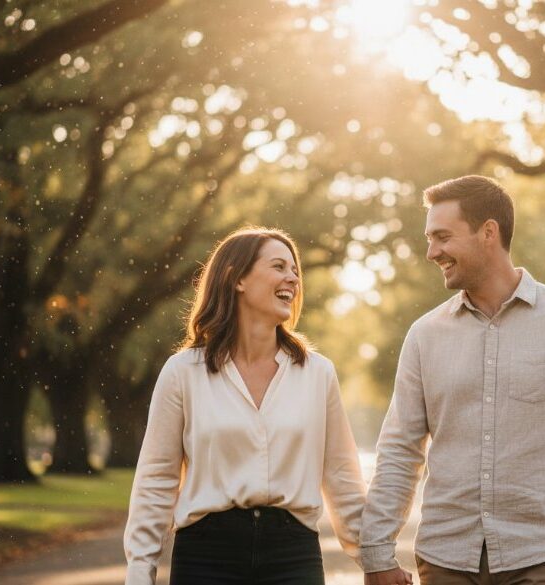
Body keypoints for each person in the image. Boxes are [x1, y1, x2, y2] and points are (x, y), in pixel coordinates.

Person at [360, 176, 545, 585]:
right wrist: (376, 553)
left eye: (442, 237)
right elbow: (400, 450)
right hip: (446, 558)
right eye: (430, 239)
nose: (432, 252)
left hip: (543, 556)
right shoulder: (425, 335)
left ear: (489, 232)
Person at [124, 226, 371, 585]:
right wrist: (139, 571)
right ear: (236, 278)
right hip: (206, 557)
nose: (293, 278)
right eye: (279, 267)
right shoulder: (183, 372)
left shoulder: (318, 373)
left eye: (295, 270)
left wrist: (373, 559)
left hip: (293, 555)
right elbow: (156, 479)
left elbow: (342, 477)